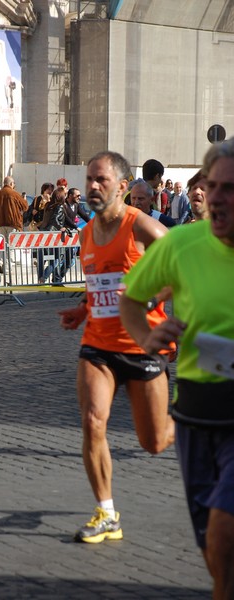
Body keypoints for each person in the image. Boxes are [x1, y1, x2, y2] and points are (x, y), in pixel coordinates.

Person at [119, 137, 234, 600]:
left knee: (225, 530)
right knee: (212, 543)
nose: (220, 196)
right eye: (214, 186)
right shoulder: (183, 243)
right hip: (194, 417)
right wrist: (147, 337)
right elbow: (131, 298)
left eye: (232, 188)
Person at [58, 150, 175, 544]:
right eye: (89, 178)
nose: (92, 186)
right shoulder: (86, 234)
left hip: (143, 346)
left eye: (101, 180)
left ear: (122, 187)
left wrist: (147, 296)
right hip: (99, 345)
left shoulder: (142, 228)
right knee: (93, 421)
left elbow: (182, 271)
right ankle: (106, 513)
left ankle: (189, 421)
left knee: (153, 442)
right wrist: (82, 309)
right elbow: (100, 288)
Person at [37, 187, 67, 285]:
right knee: (57, 259)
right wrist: (61, 227)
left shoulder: (48, 205)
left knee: (46, 258)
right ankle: (44, 277)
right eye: (65, 194)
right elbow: (55, 219)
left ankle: (41, 278)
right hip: (53, 235)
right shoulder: (60, 206)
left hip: (44, 233)